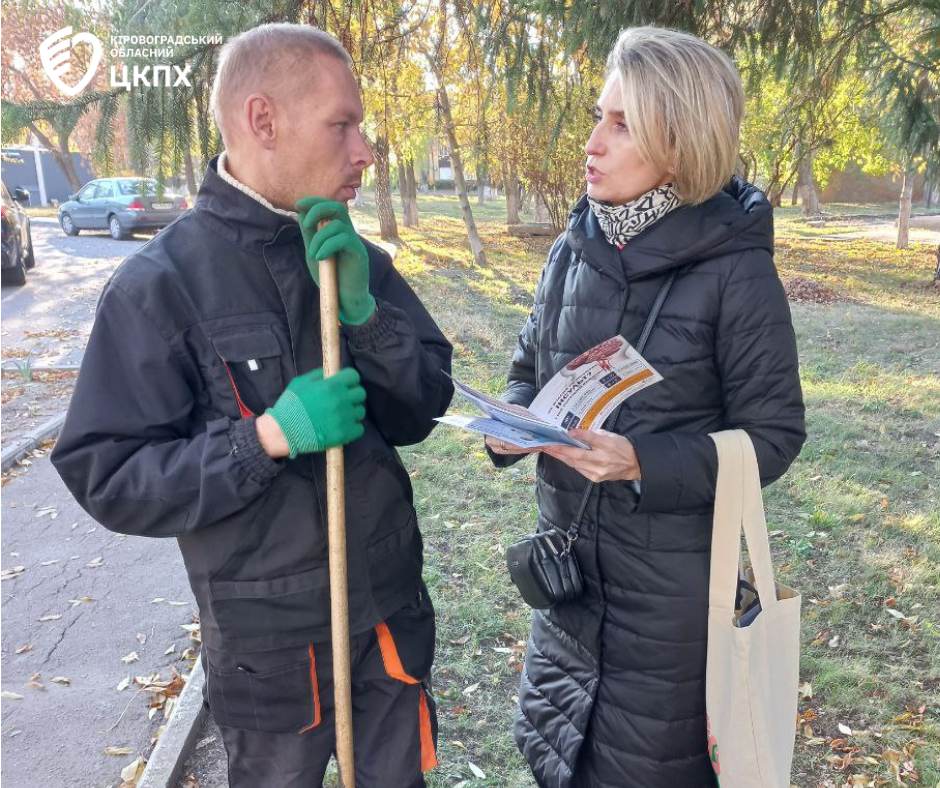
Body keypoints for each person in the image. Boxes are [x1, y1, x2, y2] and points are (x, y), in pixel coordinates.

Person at [51, 23, 453, 788]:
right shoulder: (160, 287)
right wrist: (265, 437)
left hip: (387, 618)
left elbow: (422, 409)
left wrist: (368, 317)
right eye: (342, 125)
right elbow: (106, 474)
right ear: (263, 120)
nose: (365, 150)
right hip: (269, 656)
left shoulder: (356, 260)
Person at [485, 26, 806, 788]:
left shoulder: (736, 273)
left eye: (621, 124)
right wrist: (510, 423)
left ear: (678, 143)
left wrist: (642, 462)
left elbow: (775, 435)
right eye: (598, 117)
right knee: (560, 763)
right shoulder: (572, 248)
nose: (591, 142)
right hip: (565, 585)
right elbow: (528, 367)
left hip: (669, 615)